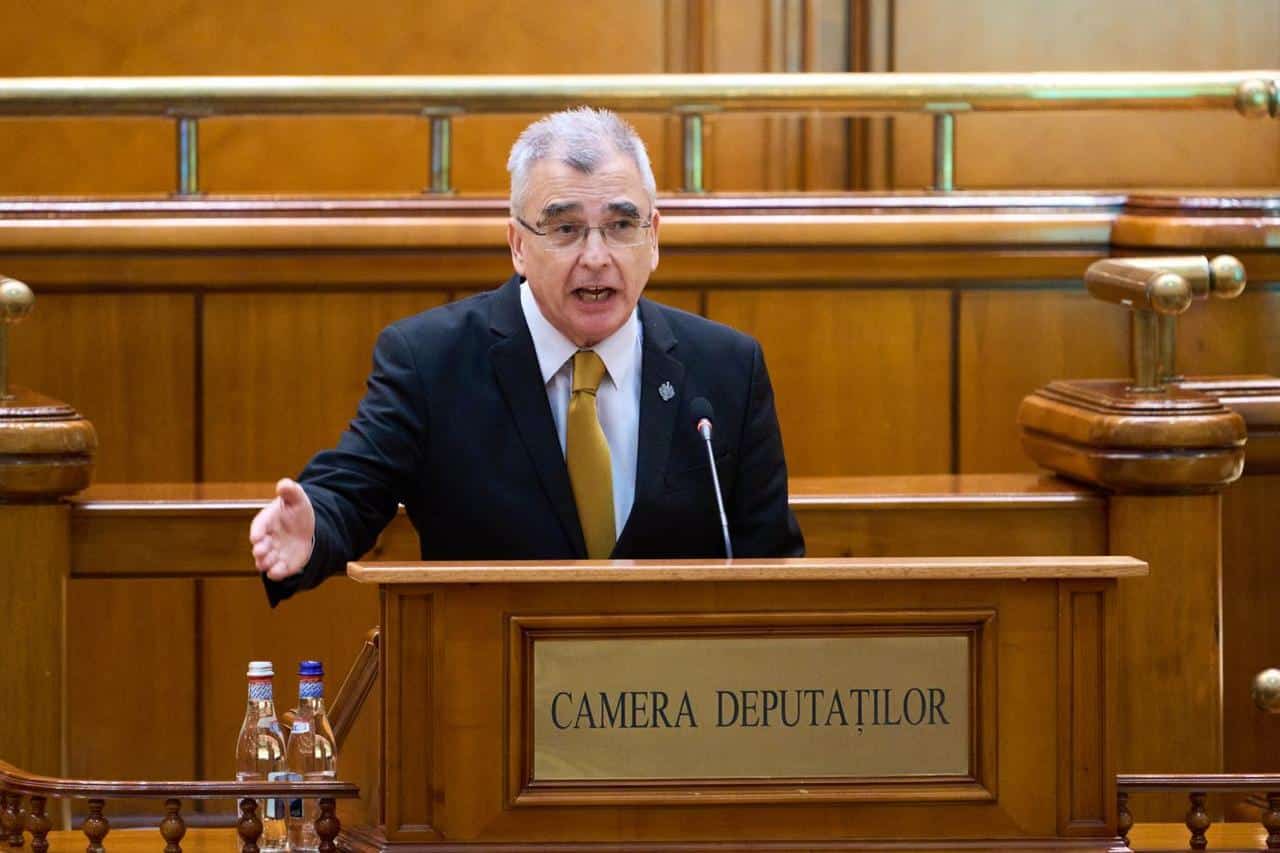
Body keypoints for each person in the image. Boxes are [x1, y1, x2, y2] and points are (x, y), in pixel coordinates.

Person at [250, 107, 803, 605]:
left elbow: (774, 564)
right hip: (491, 672)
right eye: (565, 229)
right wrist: (314, 528)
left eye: (620, 226)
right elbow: (352, 490)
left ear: (653, 237)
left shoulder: (728, 368)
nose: (596, 257)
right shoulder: (431, 361)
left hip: (677, 679)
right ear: (518, 244)